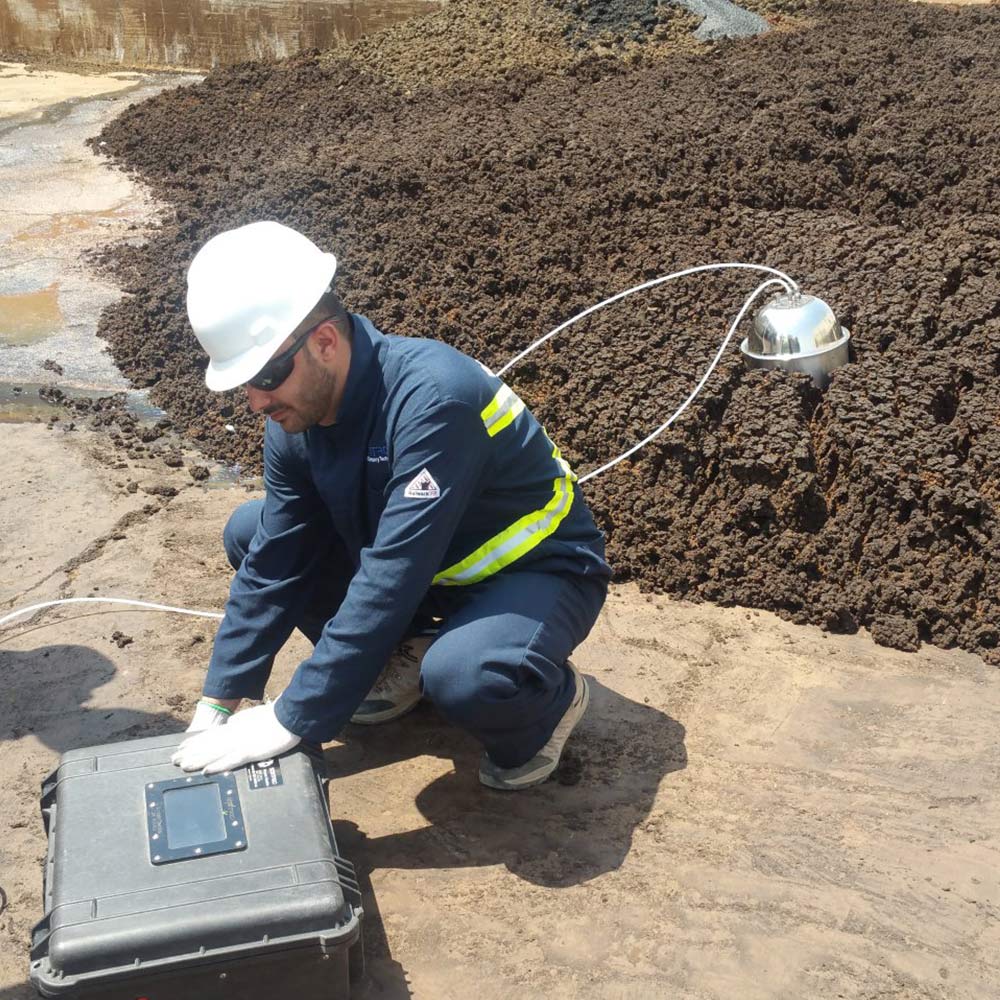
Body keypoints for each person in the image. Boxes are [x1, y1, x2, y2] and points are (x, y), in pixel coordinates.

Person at [172, 221, 610, 790]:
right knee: (251, 531)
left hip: (533, 570)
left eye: (266, 377)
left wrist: (292, 716)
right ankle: (395, 659)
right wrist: (219, 701)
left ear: (325, 341)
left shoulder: (433, 398)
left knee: (467, 676)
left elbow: (392, 576)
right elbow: (277, 558)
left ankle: (548, 700)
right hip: (430, 572)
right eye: (243, 386)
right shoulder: (295, 419)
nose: (256, 402)